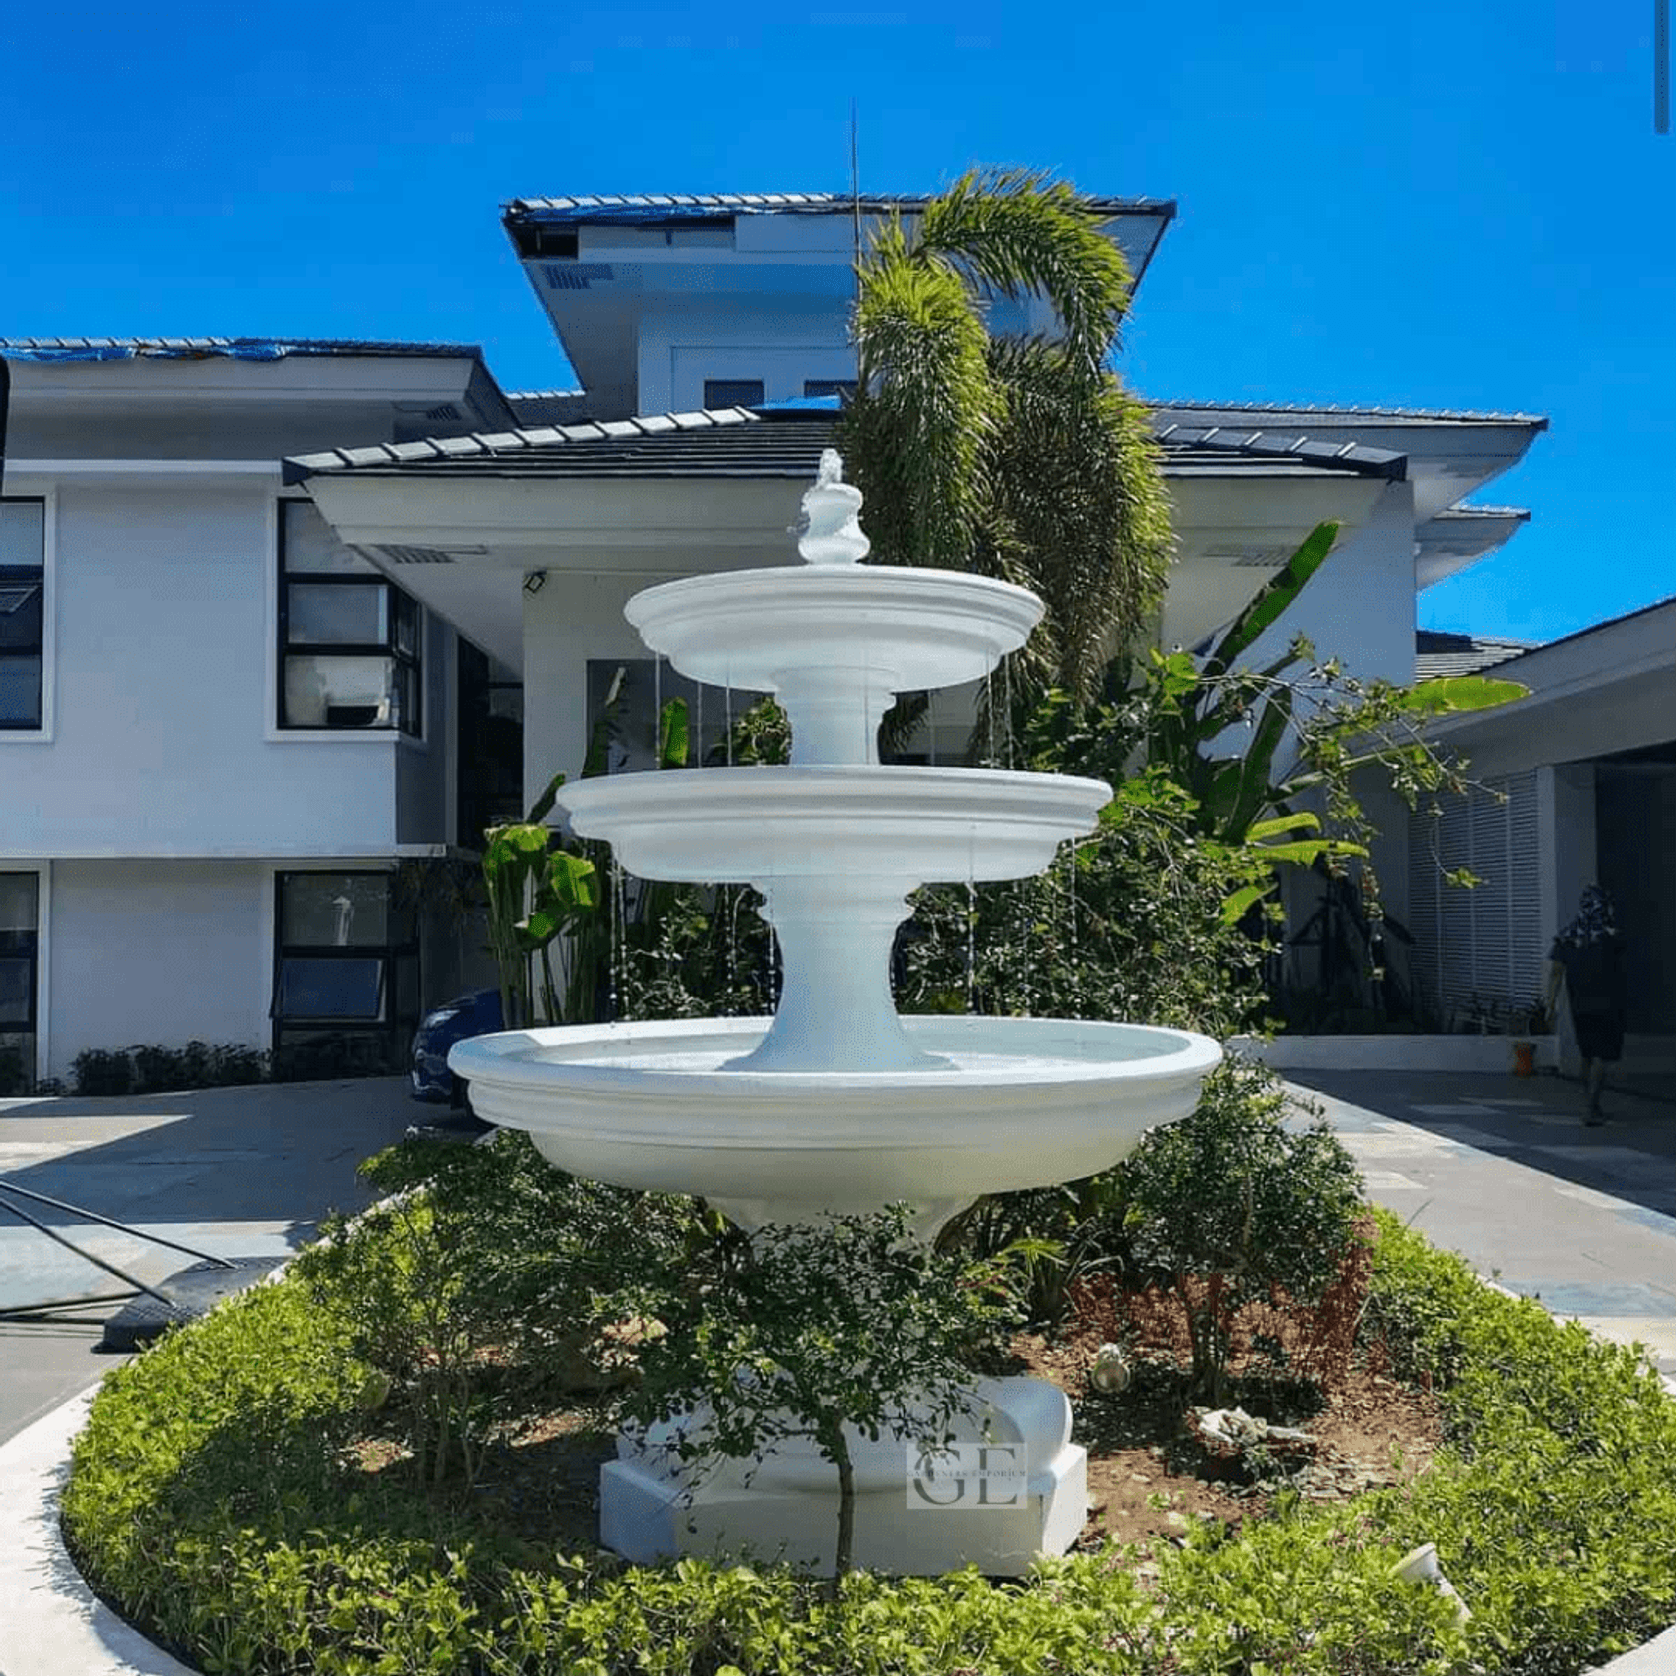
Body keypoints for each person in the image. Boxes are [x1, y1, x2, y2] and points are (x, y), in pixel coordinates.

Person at [1544, 885, 1629, 1126]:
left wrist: (1550, 1005)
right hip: (1609, 1005)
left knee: (1587, 1055)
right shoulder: (1612, 936)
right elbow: (1624, 971)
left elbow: (1556, 973)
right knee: (1602, 1056)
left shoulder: (1568, 937)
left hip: (1579, 1005)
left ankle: (1590, 1103)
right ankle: (1591, 1106)